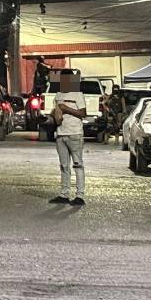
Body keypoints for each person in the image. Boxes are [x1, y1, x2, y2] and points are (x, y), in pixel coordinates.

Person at [49, 71, 87, 206]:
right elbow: (56, 112)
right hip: (60, 133)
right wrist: (53, 114)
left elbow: (83, 113)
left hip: (75, 133)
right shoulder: (58, 95)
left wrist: (66, 108)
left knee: (78, 164)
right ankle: (64, 194)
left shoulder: (77, 94)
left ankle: (80, 195)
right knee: (64, 166)